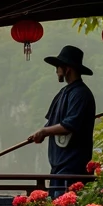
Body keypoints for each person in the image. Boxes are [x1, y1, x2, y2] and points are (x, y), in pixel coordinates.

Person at [26, 44, 96, 194]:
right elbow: (53, 123)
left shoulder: (81, 94)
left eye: (58, 66)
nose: (56, 70)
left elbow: (70, 125)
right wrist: (40, 133)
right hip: (58, 166)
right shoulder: (63, 93)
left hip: (73, 166)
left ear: (67, 68)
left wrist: (44, 131)